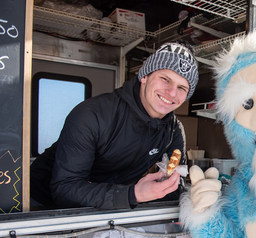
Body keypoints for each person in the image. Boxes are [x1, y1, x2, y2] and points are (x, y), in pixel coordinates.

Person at [30, 40, 199, 210]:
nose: (171, 93)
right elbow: (64, 189)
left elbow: (175, 186)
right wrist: (133, 194)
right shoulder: (92, 115)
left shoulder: (173, 131)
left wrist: (192, 204)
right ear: (144, 77)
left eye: (182, 88)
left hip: (109, 205)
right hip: (41, 204)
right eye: (165, 79)